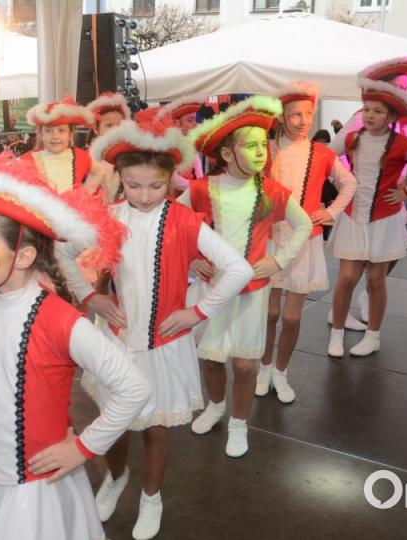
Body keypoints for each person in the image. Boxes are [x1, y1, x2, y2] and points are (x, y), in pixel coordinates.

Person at [0, 155, 150, 540]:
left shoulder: (58, 321)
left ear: (24, 256)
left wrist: (83, 448)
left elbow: (134, 387)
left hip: (38, 486)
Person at [60, 108, 250, 539]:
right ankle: (116, 477)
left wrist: (197, 312)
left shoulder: (184, 220)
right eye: (133, 186)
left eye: (155, 185)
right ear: (120, 180)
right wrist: (93, 298)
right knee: (113, 421)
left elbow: (237, 269)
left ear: (170, 179)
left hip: (165, 344)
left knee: (156, 427)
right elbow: (64, 253)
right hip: (118, 341)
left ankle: (152, 496)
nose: (144, 195)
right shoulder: (110, 217)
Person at [179, 96, 313, 457]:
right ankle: (216, 405)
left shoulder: (271, 191)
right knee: (210, 358)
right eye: (249, 146)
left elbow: (302, 225)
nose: (260, 153)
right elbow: (173, 226)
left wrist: (279, 260)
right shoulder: (201, 189)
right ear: (226, 154)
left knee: (243, 362)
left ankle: (239, 424)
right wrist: (192, 260)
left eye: (262, 146)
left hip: (252, 292)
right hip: (211, 290)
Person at [326, 57, 407, 357]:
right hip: (354, 216)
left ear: (391, 116)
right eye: (367, 109)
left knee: (376, 280)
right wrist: (343, 184)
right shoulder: (351, 137)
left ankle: (373, 336)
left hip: (385, 218)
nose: (369, 115)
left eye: (378, 111)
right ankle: (336, 335)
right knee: (346, 278)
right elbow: (325, 159)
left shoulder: (404, 145)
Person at [258, 82, 357, 404]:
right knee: (269, 314)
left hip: (304, 241)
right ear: (282, 116)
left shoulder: (323, 153)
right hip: (271, 239)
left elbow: (349, 183)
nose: (301, 121)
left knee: (291, 316)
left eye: (307, 114)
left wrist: (329, 212)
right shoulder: (266, 150)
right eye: (294, 114)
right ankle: (264, 367)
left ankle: (282, 372)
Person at [20, 97, 99, 194]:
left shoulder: (80, 156)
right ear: (41, 135)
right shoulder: (29, 159)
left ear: (70, 134)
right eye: (49, 131)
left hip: (71, 208)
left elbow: (99, 171)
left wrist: (85, 195)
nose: (55, 136)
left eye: (61, 130)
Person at [85, 92, 132, 202]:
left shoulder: (131, 158)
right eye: (109, 125)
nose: (115, 130)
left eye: (119, 125)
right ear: (96, 129)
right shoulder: (85, 160)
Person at [157, 95, 208, 192]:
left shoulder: (188, 145)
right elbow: (172, 178)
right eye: (190, 120)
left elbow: (198, 172)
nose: (195, 124)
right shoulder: (169, 147)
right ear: (176, 124)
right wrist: (197, 187)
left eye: (195, 119)